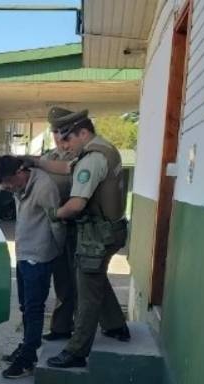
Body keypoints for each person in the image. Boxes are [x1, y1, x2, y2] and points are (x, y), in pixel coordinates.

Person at [30, 109, 131, 369]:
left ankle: (76, 352)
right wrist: (36, 161)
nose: (64, 146)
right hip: (110, 229)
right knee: (95, 278)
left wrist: (55, 213)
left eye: (67, 140)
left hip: (99, 233)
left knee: (87, 292)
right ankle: (116, 325)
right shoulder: (101, 149)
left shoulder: (91, 159)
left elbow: (76, 204)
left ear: (83, 133)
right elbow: (64, 166)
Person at [0, 155, 65, 378]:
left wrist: (57, 250)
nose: (10, 189)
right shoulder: (20, 188)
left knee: (34, 308)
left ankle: (28, 357)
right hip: (24, 254)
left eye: (10, 183)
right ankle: (26, 344)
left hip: (40, 257)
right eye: (6, 187)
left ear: (19, 172)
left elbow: (57, 223)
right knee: (25, 306)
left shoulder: (44, 187)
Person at [40, 106, 79, 341]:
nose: (58, 136)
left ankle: (95, 326)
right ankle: (62, 327)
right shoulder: (48, 158)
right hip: (55, 227)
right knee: (62, 279)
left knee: (84, 282)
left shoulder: (80, 157)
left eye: (62, 130)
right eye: (54, 130)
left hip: (77, 226)